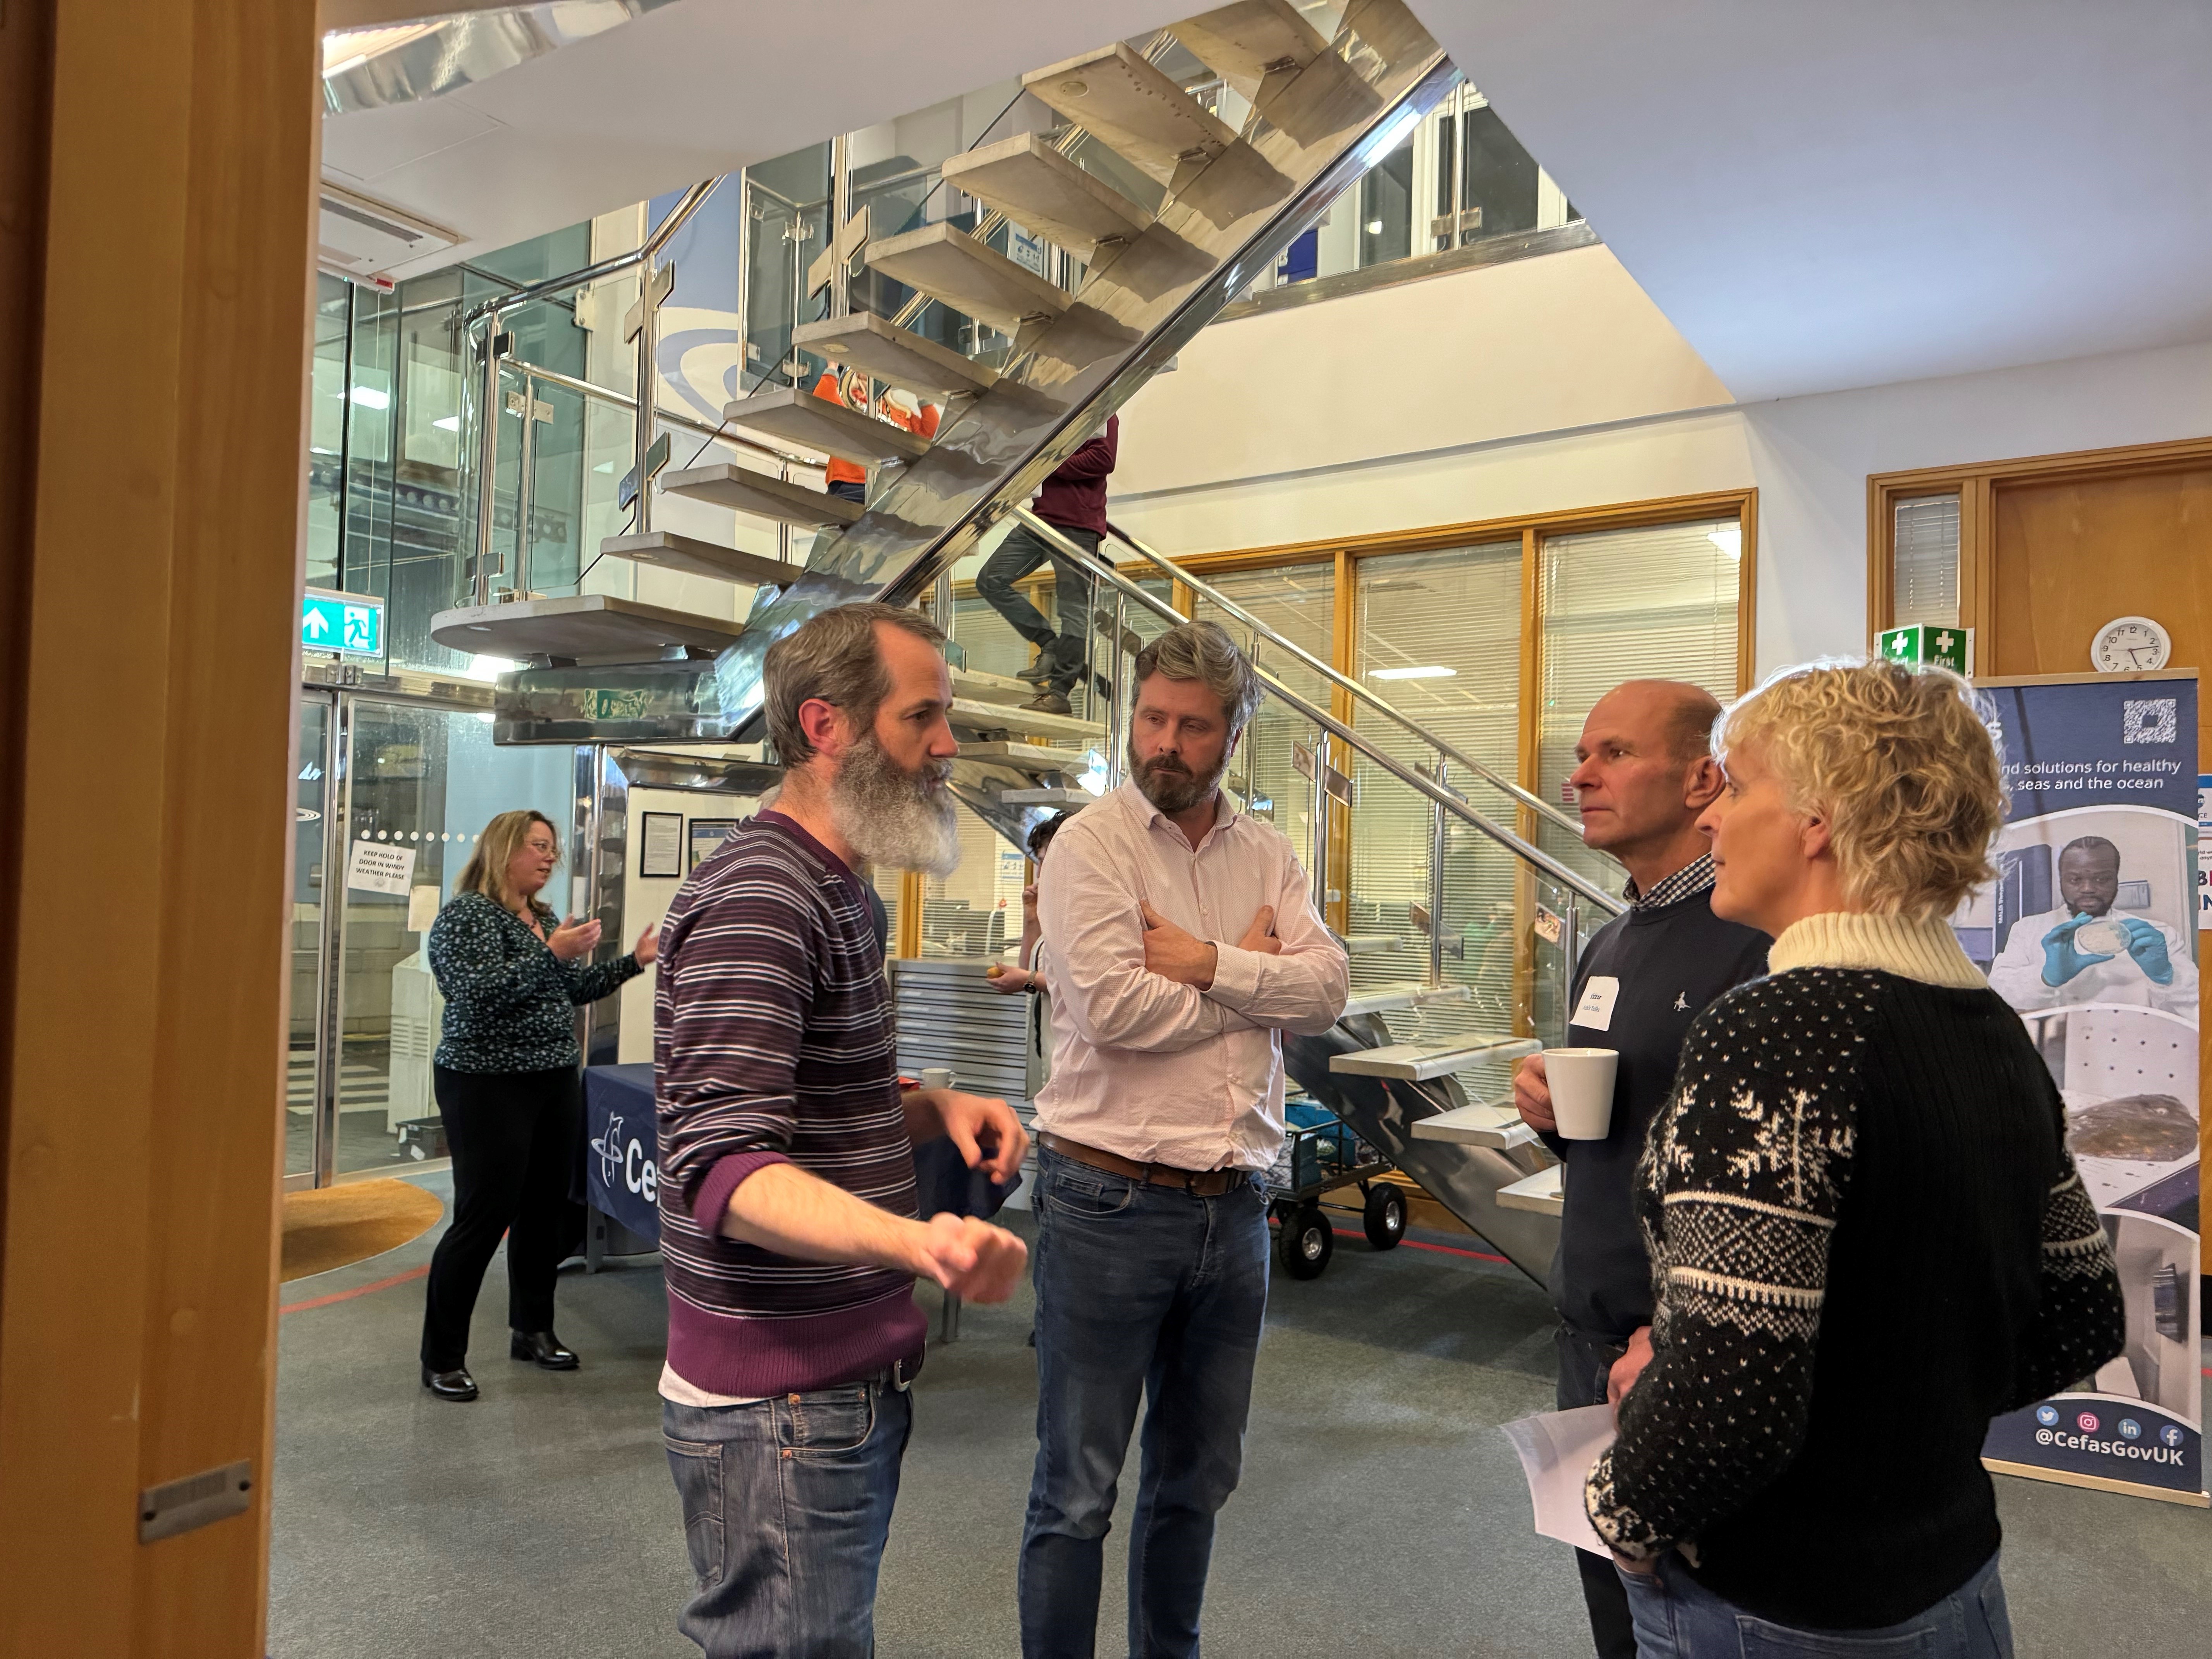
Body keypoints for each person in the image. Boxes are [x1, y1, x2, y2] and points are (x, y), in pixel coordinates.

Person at [1587, 659, 2126, 1656]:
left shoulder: (1777, 1031)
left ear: (1818, 821)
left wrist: (1621, 1513)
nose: (1711, 819)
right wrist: (1905, 1416)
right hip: (1947, 1569)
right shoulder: (1991, 1027)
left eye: (1738, 786)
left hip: (1778, 1595)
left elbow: (1730, 1410)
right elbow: (2082, 1312)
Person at [653, 601, 1030, 1659]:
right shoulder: (764, 894)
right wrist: (920, 1241)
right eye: (923, 718)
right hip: (778, 1404)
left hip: (828, 1392)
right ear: (828, 728)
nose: (947, 745)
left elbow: (807, 1106)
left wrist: (935, 1106)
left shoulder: (840, 888)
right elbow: (730, 1170)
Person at [1021, 620, 1349, 1659]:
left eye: (1193, 726)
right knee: (1077, 1489)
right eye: (1153, 717)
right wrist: (1253, 983)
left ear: (1233, 733)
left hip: (1237, 1207)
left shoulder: (1269, 854)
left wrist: (1206, 962)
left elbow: (1329, 988)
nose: (1165, 741)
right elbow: (1115, 1011)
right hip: (1104, 1202)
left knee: (1197, 1479)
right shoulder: (1090, 846)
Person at [1509, 681, 1769, 1659]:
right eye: (1584, 754)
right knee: (1615, 1604)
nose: (1580, 776)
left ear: (1704, 777)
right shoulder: (1612, 938)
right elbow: (1622, 1128)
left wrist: (1681, 1326)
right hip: (1591, 1324)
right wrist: (1550, 1116)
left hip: (1685, 1342)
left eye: (1613, 753)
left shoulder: (1760, 934)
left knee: (1698, 1614)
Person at [419, 809, 656, 1401]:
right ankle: (442, 1356)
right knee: (481, 1218)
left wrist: (635, 961)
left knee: (543, 1212)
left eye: (553, 848)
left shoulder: (542, 918)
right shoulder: (467, 916)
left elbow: (568, 990)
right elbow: (474, 995)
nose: (550, 858)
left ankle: (532, 1330)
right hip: (486, 1083)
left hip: (552, 1079)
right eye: (539, 846)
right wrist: (551, 953)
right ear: (504, 851)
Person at [974, 414, 1121, 717]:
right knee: (991, 580)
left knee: (1074, 610)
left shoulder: (1103, 408)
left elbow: (1103, 460)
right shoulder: (1053, 413)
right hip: (1040, 520)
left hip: (1078, 525)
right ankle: (1049, 646)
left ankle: (1059, 693)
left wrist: (1045, 462)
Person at [1986, 833, 2198, 1015]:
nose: (2088, 889)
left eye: (2102, 879)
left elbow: (2196, 1011)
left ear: (2116, 879)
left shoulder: (2158, 935)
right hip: (2053, 1054)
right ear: (2061, 881)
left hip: (2134, 1050)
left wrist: (2166, 976)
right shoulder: (2027, 929)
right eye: (2075, 880)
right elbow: (1996, 998)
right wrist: (2046, 978)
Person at [811, 366, 939, 506]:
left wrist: (922, 395)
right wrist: (832, 367)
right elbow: (821, 402)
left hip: (888, 486)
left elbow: (931, 434)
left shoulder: (900, 412)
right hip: (851, 483)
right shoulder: (850, 403)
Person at [986, 810, 1068, 997]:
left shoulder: (1091, 911)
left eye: (1045, 862)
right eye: (1038, 863)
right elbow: (1028, 968)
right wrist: (1031, 917)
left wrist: (1029, 980)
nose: (1039, 874)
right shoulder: (1055, 912)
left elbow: (1086, 986)